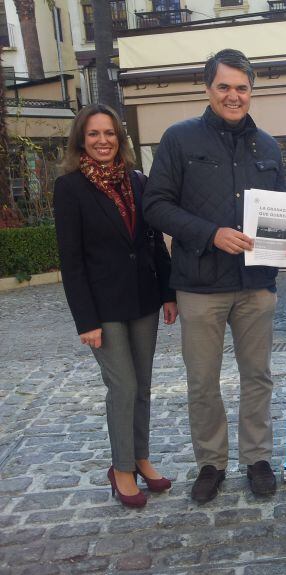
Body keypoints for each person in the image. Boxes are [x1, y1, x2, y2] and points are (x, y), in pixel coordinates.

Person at [143, 48, 286, 504]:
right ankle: (210, 464)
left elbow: (281, 208)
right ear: (208, 88)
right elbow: (155, 205)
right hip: (199, 284)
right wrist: (211, 234)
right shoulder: (178, 139)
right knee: (202, 381)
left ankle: (257, 459)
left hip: (256, 285)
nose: (234, 96)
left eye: (242, 88)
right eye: (224, 86)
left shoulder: (268, 146)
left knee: (258, 377)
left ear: (252, 91)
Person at [54, 103, 177, 509]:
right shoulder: (70, 188)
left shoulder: (137, 182)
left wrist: (168, 293)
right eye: (94, 134)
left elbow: (154, 242)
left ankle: (141, 457)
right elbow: (71, 260)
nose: (102, 141)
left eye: (109, 133)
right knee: (122, 385)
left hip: (144, 299)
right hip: (102, 307)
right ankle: (121, 468)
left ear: (119, 139)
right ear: (81, 140)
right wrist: (85, 320)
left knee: (142, 385)